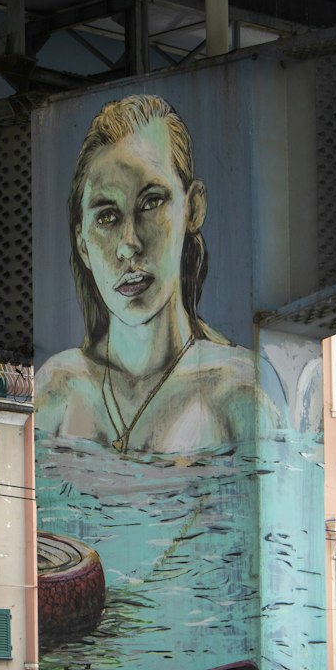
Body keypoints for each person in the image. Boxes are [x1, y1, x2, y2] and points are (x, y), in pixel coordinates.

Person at [35, 93, 274, 455]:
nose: (129, 245)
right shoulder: (56, 390)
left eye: (151, 203)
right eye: (106, 217)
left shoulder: (238, 392)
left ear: (193, 207)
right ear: (82, 243)